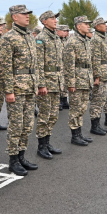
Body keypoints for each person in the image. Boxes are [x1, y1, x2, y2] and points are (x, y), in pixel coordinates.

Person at [0, 5, 39, 176]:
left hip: (29, 86)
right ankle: (13, 160)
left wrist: (35, 85)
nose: (27, 16)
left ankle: (22, 156)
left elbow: (34, 64)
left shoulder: (29, 36)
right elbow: (4, 67)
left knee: (27, 125)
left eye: (28, 14)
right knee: (16, 126)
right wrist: (8, 91)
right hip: (16, 87)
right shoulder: (9, 38)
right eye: (23, 14)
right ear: (15, 17)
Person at [35, 10, 63, 159]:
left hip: (56, 82)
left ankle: (47, 142)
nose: (55, 20)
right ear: (44, 21)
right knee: (44, 116)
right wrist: (41, 84)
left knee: (53, 115)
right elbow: (38, 64)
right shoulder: (41, 38)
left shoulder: (56, 38)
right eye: (52, 18)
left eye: (55, 18)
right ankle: (41, 146)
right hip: (46, 83)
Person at [63, 16, 94, 146]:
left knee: (82, 108)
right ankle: (75, 135)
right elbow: (69, 64)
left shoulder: (86, 40)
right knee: (75, 109)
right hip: (77, 80)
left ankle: (80, 133)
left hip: (86, 79)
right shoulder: (72, 42)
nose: (88, 26)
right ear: (78, 26)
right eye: (86, 24)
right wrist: (71, 83)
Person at [89, 17, 107, 136]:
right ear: (96, 26)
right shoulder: (96, 39)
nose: (106, 26)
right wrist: (97, 77)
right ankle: (94, 126)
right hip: (100, 75)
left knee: (102, 100)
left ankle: (99, 124)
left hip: (106, 73)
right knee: (97, 101)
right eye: (103, 24)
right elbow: (95, 60)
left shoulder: (104, 38)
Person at [57, 25, 71, 110]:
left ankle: (64, 99)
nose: (66, 33)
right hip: (59, 65)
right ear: (58, 31)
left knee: (65, 82)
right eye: (64, 31)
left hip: (66, 65)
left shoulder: (67, 40)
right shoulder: (56, 40)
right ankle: (59, 101)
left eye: (67, 31)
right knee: (59, 83)